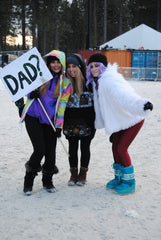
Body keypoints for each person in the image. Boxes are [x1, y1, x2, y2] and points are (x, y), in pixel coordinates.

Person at [86, 53, 153, 194]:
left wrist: (141, 105)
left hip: (132, 119)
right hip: (120, 121)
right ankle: (119, 177)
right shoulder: (96, 82)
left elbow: (125, 96)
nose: (93, 69)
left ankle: (129, 182)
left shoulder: (110, 80)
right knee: (115, 147)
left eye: (97, 65)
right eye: (91, 66)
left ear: (103, 66)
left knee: (121, 149)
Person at [15, 50, 71, 195]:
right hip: (33, 116)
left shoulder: (65, 83)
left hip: (50, 121)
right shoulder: (40, 75)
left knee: (50, 152)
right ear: (48, 63)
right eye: (53, 62)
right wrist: (30, 94)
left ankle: (48, 181)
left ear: (62, 63)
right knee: (39, 149)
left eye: (58, 62)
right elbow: (24, 88)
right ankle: (28, 181)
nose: (56, 65)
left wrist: (59, 126)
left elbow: (62, 107)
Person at [63, 53, 95, 186]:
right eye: (69, 67)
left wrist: (94, 122)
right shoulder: (65, 83)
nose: (71, 69)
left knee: (85, 147)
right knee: (72, 147)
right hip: (70, 122)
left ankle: (83, 174)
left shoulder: (89, 83)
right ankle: (73, 174)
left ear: (80, 67)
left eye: (74, 66)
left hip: (87, 122)